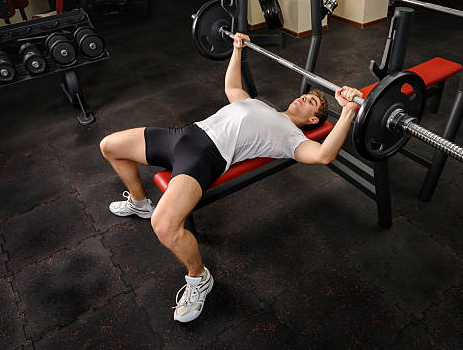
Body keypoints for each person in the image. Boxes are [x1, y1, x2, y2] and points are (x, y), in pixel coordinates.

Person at [99, 33, 363, 323]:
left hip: (203, 158)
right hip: (182, 136)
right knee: (109, 146)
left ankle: (199, 279)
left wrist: (348, 111)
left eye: (311, 101)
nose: (304, 96)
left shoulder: (291, 137)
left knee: (163, 226)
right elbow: (232, 86)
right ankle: (139, 202)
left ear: (314, 120)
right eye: (307, 93)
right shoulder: (259, 104)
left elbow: (325, 154)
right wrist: (237, 49)